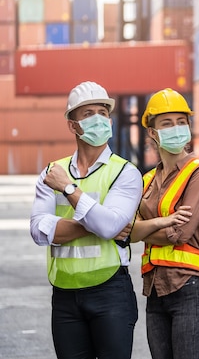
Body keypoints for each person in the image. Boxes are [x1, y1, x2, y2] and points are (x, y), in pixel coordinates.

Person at [30, 81, 142, 359]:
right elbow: (39, 231)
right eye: (88, 113)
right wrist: (96, 221)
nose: (99, 119)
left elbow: (109, 226)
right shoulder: (51, 172)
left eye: (103, 112)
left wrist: (68, 189)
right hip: (65, 295)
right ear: (72, 125)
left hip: (110, 293)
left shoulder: (125, 173)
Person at [130, 88, 199, 359]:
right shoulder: (144, 181)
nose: (176, 128)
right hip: (155, 290)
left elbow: (179, 233)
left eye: (181, 122)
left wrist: (145, 228)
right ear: (153, 133)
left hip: (191, 287)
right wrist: (161, 223)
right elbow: (125, 232)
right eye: (167, 123)